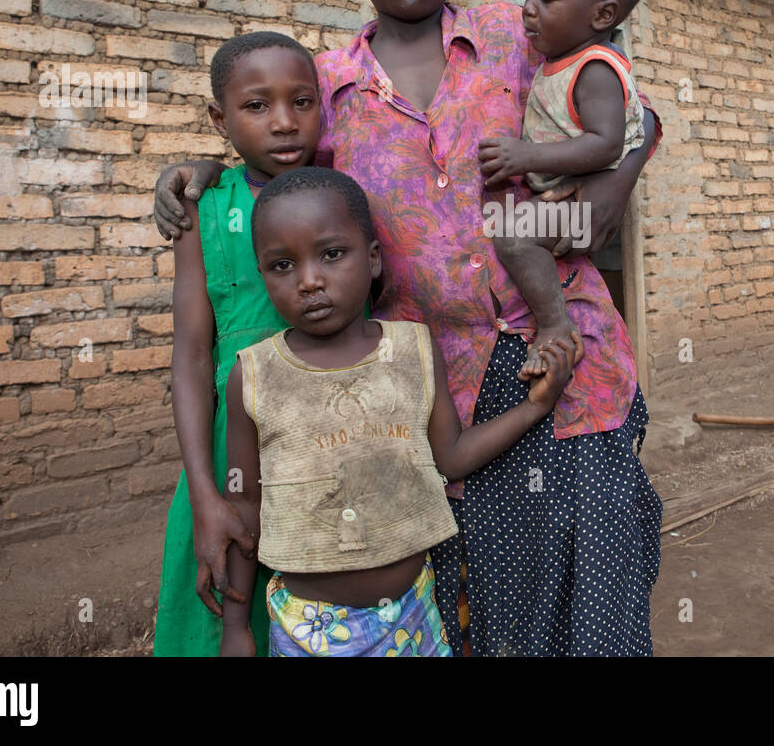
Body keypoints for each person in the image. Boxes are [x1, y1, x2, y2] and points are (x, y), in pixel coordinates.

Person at [153, 0, 663, 656]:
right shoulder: (324, 88)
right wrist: (201, 169)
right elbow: (271, 162)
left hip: (570, 351)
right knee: (478, 598)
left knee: (595, 579)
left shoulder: (516, 36)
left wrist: (607, 196)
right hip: (434, 384)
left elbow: (633, 108)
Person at [219, 167, 578, 657]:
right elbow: (244, 505)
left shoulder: (411, 347)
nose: (308, 281)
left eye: (331, 254)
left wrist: (536, 407)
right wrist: (236, 628)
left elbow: (449, 457)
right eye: (282, 265)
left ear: (371, 261)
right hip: (307, 628)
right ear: (262, 274)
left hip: (413, 615)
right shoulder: (254, 375)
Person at [154, 32, 322, 657]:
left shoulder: (342, 199)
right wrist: (204, 493)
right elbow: (193, 353)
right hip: (232, 456)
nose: (284, 122)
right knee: (225, 614)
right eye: (257, 106)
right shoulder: (205, 208)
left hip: (334, 444)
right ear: (218, 121)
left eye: (302, 101)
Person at [478, 0, 648, 375]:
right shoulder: (563, 58)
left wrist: (526, 157)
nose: (528, 10)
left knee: (513, 236)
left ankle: (554, 326)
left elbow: (608, 143)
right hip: (564, 198)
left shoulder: (595, 69)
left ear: (602, 16)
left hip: (579, 202)